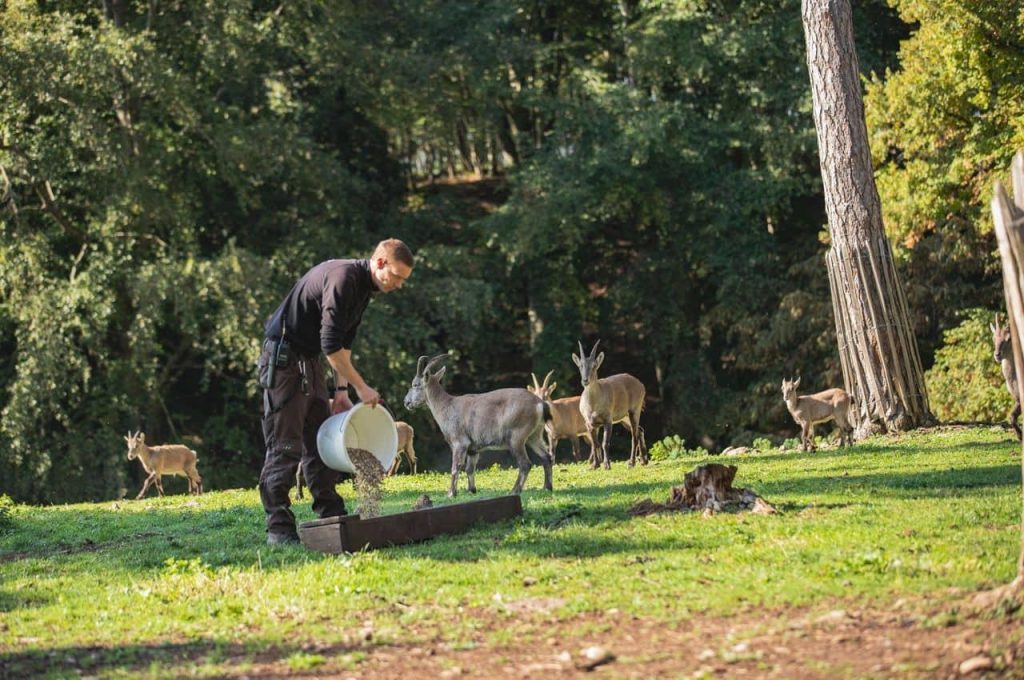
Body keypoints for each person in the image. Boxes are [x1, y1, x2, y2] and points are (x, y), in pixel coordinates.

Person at [257, 238, 414, 545]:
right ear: (380, 262)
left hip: (310, 362)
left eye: (403, 280)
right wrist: (361, 387)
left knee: (322, 442)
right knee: (286, 445)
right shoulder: (343, 279)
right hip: (284, 361)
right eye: (396, 276)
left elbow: (342, 345)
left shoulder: (363, 290)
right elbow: (330, 345)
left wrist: (341, 391)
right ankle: (279, 529)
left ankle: (331, 516)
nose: (398, 285)